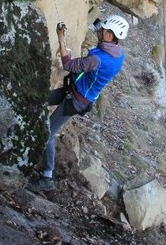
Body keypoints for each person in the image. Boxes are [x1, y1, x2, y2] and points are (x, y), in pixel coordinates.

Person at [27, 14, 130, 193]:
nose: (100, 32)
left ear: (110, 36)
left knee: (48, 133)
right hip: (77, 92)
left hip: (75, 100)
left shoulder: (98, 59)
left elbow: (68, 65)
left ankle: (47, 177)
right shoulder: (118, 54)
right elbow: (86, 67)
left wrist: (60, 37)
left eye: (104, 31)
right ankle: (30, 139)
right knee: (39, 100)